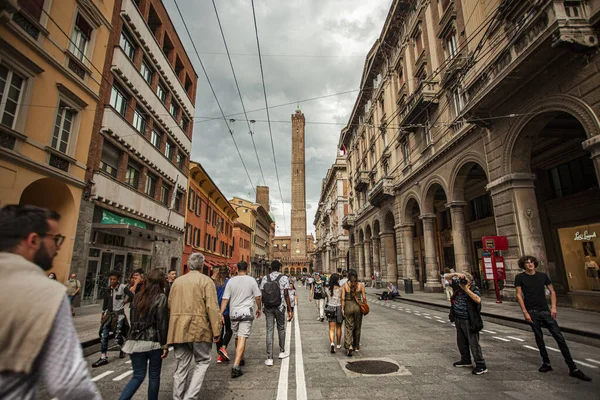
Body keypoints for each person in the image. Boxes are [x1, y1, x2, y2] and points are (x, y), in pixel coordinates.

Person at [0, 204, 100, 399]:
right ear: (33, 240)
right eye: (56, 239)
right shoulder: (46, 292)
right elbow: (70, 385)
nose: (59, 246)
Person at [515, 255, 591, 381]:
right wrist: (525, 312)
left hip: (545, 311)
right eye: (527, 263)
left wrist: (554, 307)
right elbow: (518, 295)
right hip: (532, 312)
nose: (530, 264)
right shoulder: (520, 277)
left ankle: (572, 367)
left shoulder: (543, 276)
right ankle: (546, 363)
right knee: (539, 338)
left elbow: (552, 291)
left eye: (532, 262)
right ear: (523, 265)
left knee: (559, 338)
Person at [167, 253, 221, 398]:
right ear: (202, 265)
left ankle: (177, 397)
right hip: (199, 328)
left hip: (179, 329)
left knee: (181, 366)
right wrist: (216, 330)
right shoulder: (206, 281)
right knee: (202, 362)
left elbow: (170, 304)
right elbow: (212, 307)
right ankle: (190, 396)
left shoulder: (177, 282)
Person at [118, 268, 169, 400]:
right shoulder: (161, 297)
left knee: (138, 376)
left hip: (135, 340)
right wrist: (164, 345)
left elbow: (133, 319)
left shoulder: (136, 297)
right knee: (154, 375)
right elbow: (162, 323)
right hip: (153, 341)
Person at [220, 260, 262, 378]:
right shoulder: (251, 280)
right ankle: (236, 366)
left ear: (237, 269)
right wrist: (259, 308)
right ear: (247, 268)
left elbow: (225, 298)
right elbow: (258, 297)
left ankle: (240, 357)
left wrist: (221, 313)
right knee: (242, 337)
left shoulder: (231, 281)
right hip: (246, 313)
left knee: (237, 336)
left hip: (233, 313)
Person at [444, 271, 487, 375]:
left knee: (474, 343)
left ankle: (481, 365)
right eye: (460, 280)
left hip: (470, 320)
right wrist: (456, 274)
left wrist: (466, 289)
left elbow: (478, 300)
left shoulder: (473, 289)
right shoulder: (457, 287)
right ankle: (465, 360)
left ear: (470, 281)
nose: (461, 282)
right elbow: (446, 277)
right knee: (461, 342)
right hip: (458, 319)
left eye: (464, 280)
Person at [92, 270, 135, 367]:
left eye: (114, 279)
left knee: (117, 335)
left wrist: (126, 301)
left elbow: (132, 296)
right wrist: (102, 315)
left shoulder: (123, 288)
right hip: (109, 314)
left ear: (118, 279)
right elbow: (105, 303)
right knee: (104, 335)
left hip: (119, 315)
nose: (112, 281)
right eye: (110, 279)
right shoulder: (108, 289)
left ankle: (122, 346)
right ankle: (103, 357)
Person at [260, 260, 293, 367]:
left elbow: (262, 294)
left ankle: (269, 358)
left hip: (268, 307)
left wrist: (261, 307)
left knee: (269, 330)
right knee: (281, 328)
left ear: (271, 267)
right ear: (279, 267)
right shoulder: (284, 278)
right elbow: (287, 294)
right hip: (279, 307)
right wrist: (289, 309)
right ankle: (282, 351)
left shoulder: (265, 278)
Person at [341, 269, 367, 356]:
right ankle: (356, 346)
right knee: (358, 326)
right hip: (358, 307)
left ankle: (349, 346)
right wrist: (365, 306)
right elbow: (364, 297)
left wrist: (342, 308)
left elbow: (343, 298)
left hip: (348, 306)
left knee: (348, 326)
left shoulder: (345, 285)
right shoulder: (361, 285)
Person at [214, 265, 232, 364]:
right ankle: (223, 347)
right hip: (226, 311)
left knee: (219, 333)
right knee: (229, 330)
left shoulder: (215, 283)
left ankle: (219, 356)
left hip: (217, 311)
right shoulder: (229, 282)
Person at [325, 273, 343, 353]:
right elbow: (342, 299)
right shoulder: (340, 289)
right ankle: (338, 344)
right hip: (338, 307)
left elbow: (327, 298)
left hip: (330, 308)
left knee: (331, 328)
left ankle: (332, 343)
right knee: (339, 327)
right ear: (338, 280)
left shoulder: (327, 289)